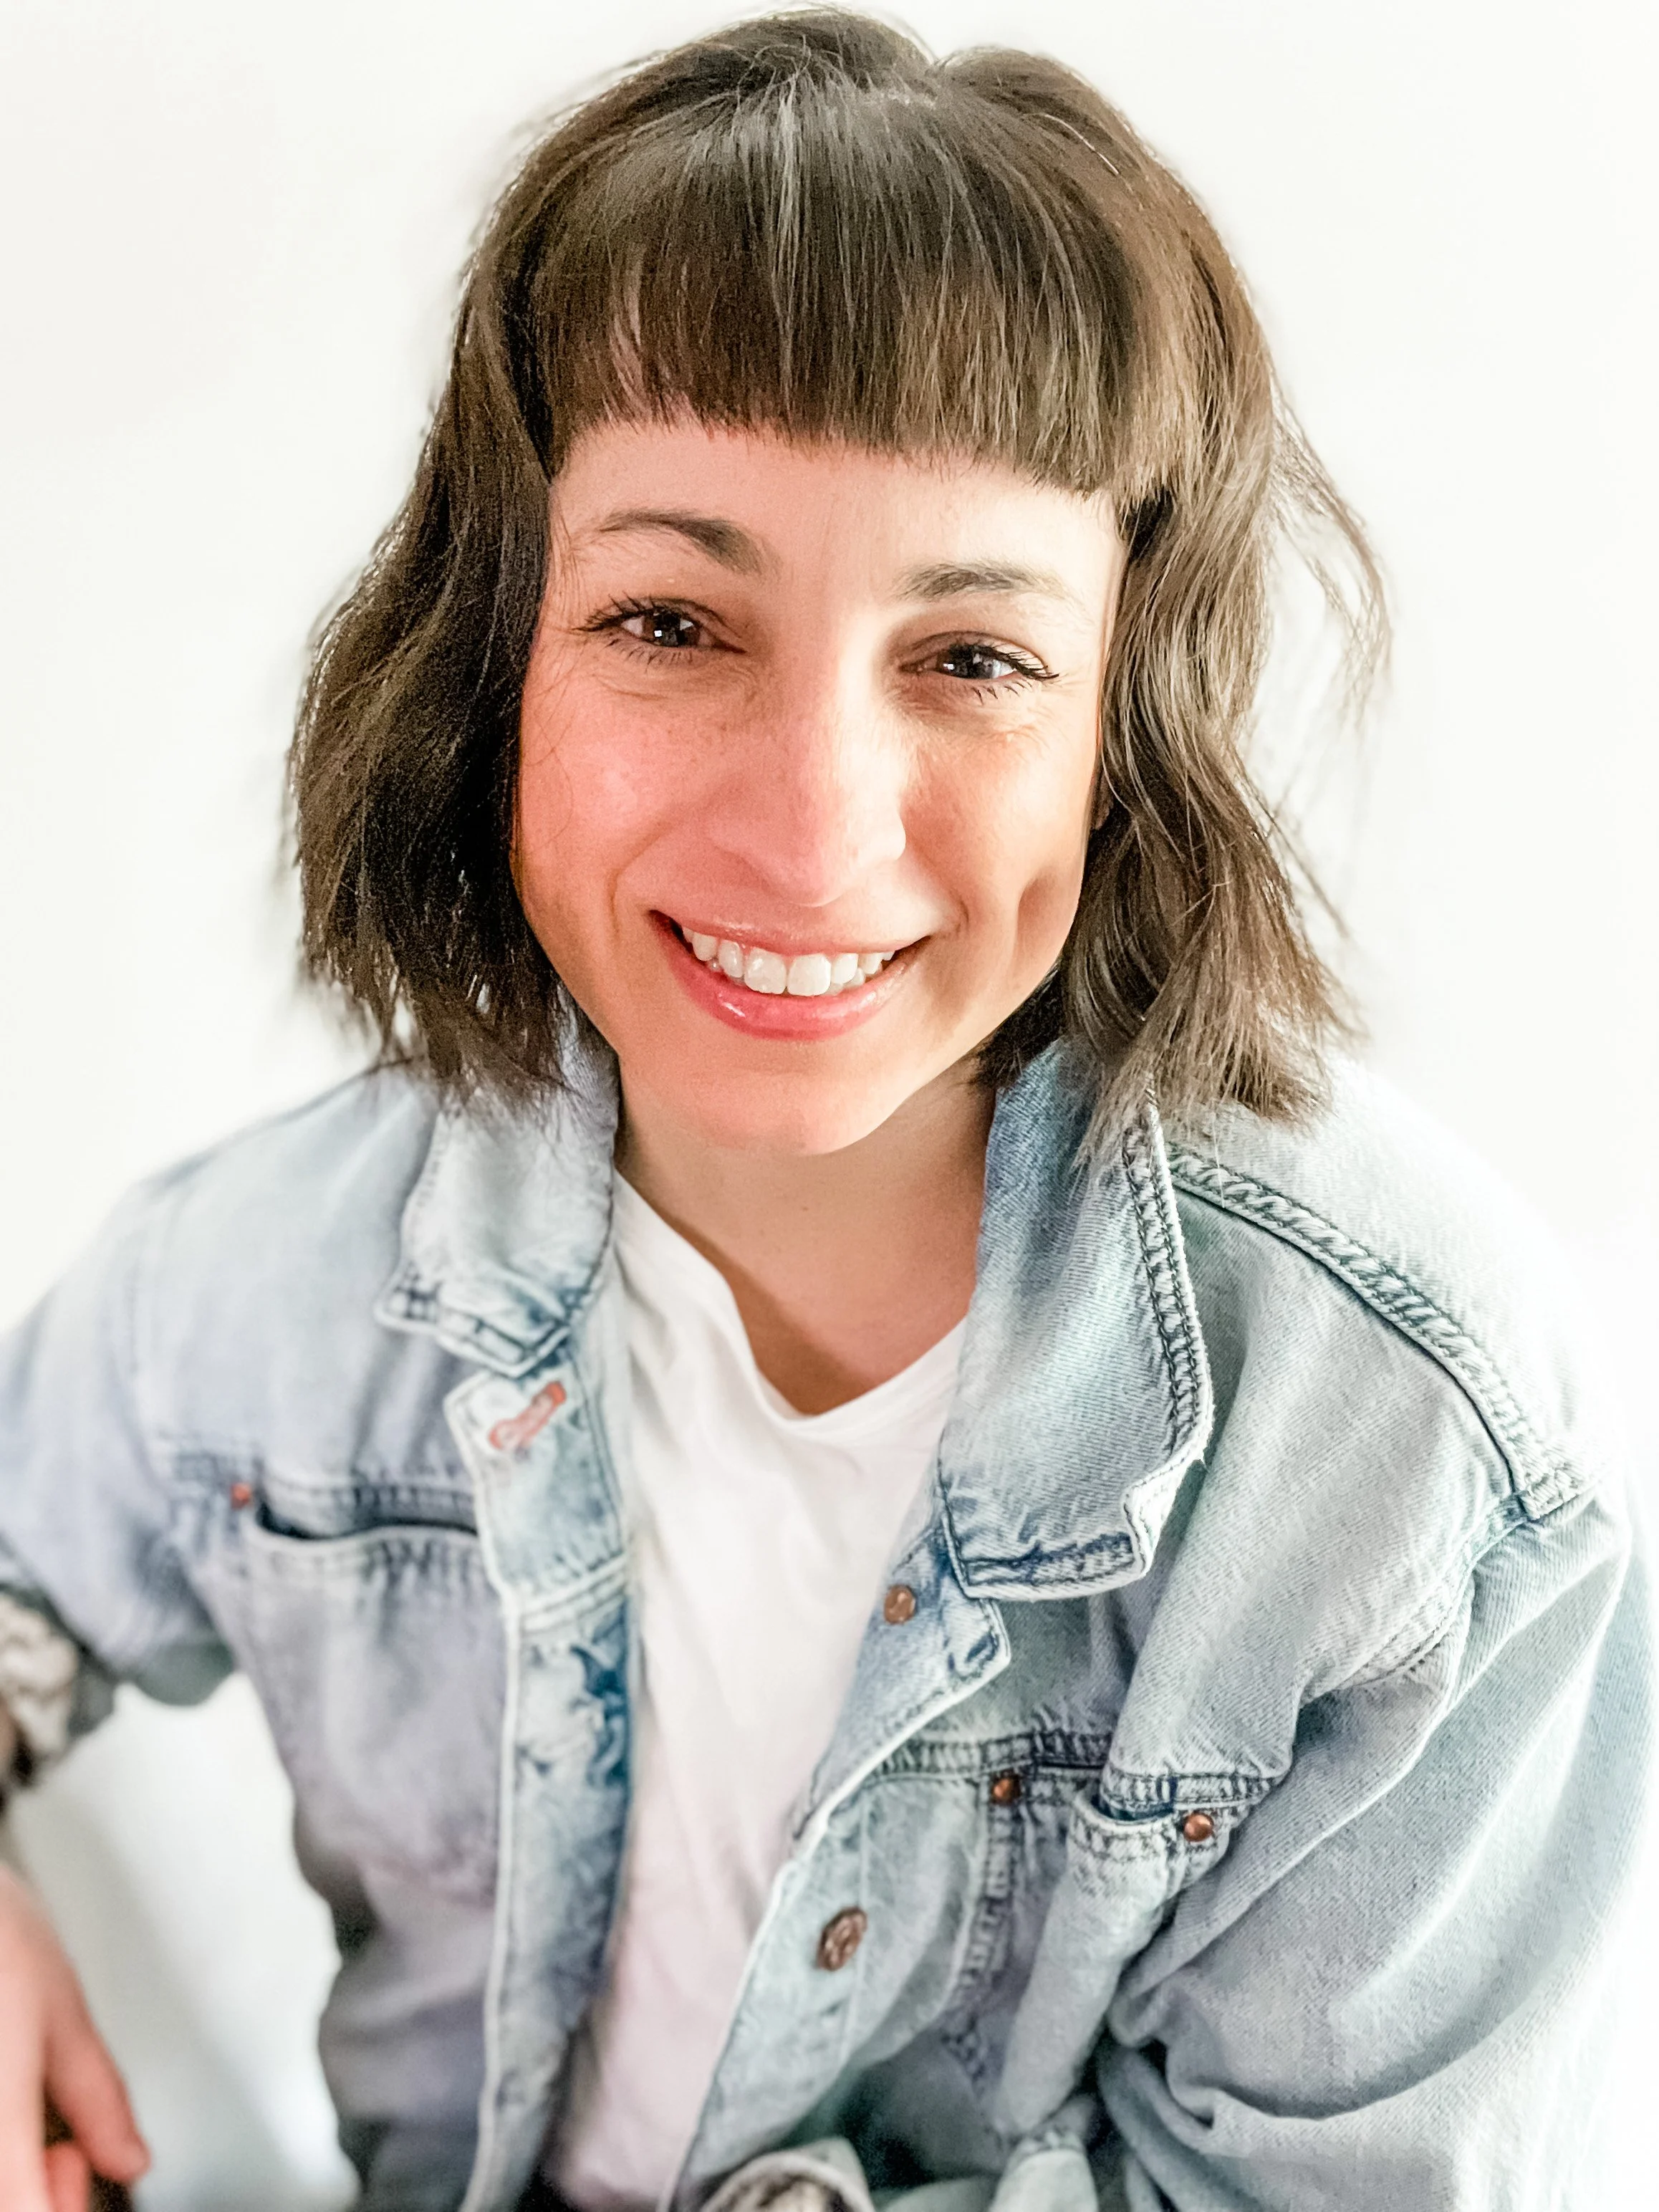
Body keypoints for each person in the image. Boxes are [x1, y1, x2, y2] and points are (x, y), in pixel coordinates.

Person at [0, 10, 1648, 2211]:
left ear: (1118, 731)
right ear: (493, 665)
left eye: (970, 659)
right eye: (671, 621)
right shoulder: (264, 1289)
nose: (808, 833)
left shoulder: (1408, 1455)